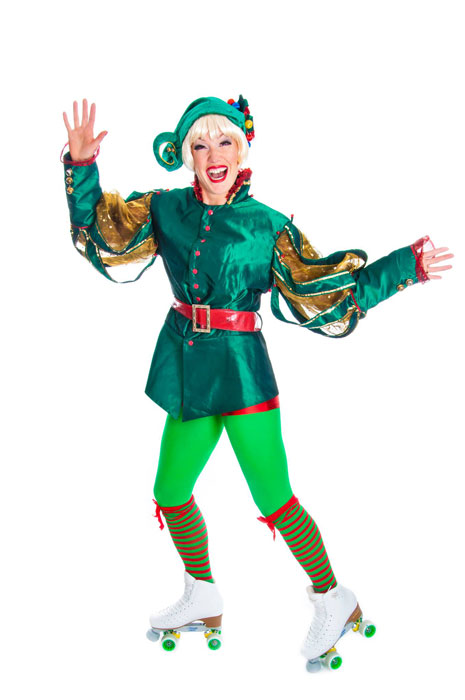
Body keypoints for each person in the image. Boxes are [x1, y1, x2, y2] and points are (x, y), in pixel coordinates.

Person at [61, 95, 453, 666]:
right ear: (188, 158)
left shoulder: (266, 225)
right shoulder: (165, 208)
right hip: (188, 369)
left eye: (224, 141)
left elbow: (321, 288)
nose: (213, 154)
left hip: (242, 372)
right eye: (200, 145)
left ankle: (333, 598)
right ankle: (202, 593)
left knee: (274, 497)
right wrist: (81, 167)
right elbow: (105, 234)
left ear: (241, 151)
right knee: (170, 492)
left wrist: (403, 268)